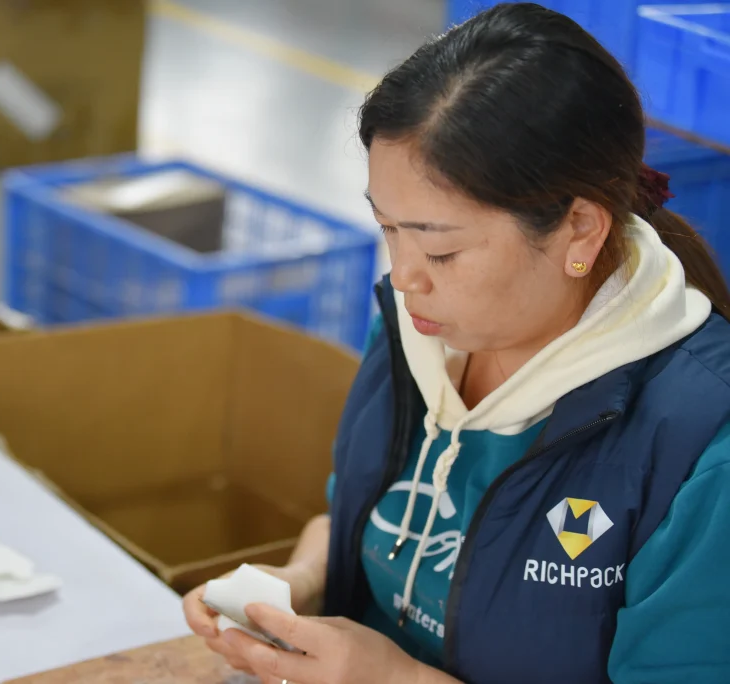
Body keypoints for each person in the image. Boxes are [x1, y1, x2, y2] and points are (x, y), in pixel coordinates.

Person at [183, 3, 730, 683]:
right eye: (388, 229)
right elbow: (360, 513)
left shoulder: (701, 449)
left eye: (441, 251)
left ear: (581, 230)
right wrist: (300, 583)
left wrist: (397, 679)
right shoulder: (419, 331)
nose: (404, 277)